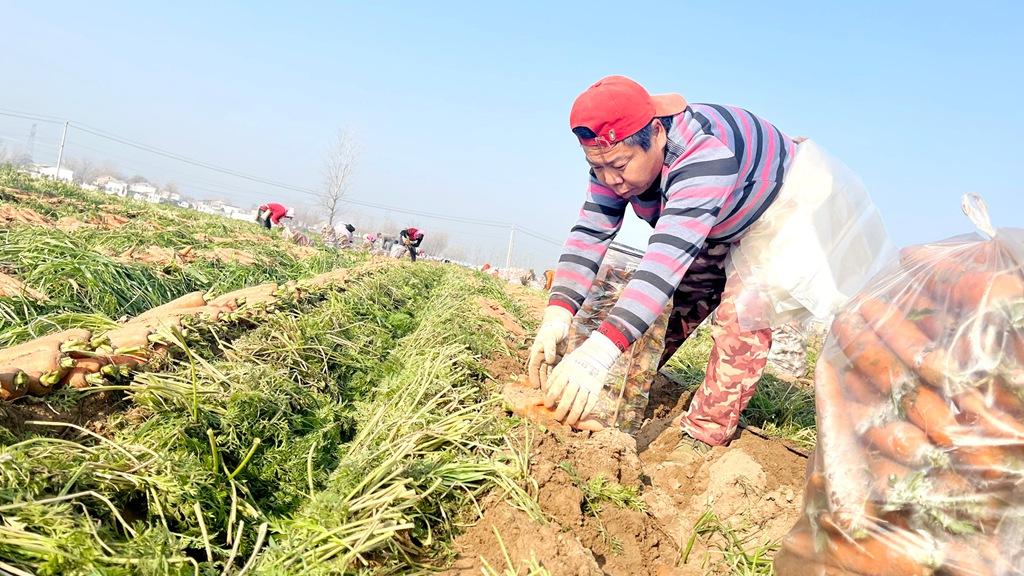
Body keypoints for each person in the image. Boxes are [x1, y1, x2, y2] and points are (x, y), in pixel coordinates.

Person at [530, 76, 889, 448]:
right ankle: (613, 395)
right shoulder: (612, 156)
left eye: (619, 166)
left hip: (783, 208)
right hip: (719, 217)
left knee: (744, 312)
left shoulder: (704, 156)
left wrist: (598, 353)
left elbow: (665, 260)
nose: (610, 180)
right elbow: (592, 232)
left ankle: (704, 432)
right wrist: (558, 312)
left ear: (656, 134)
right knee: (663, 310)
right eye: (597, 167)